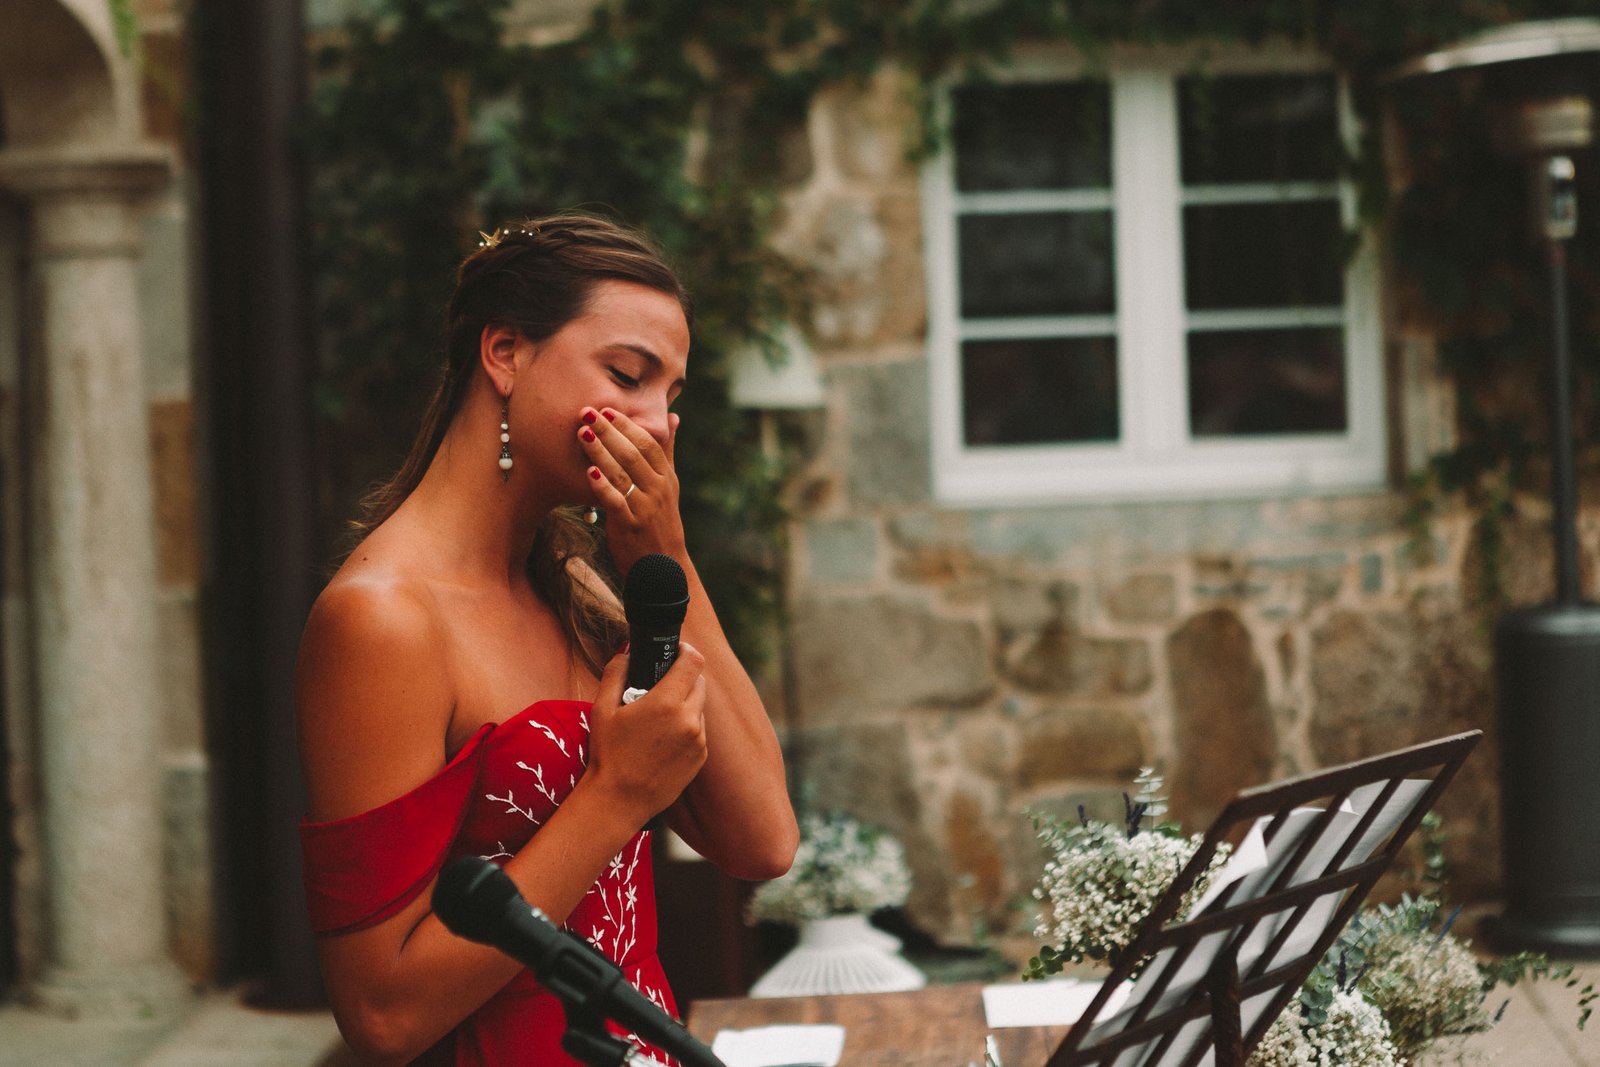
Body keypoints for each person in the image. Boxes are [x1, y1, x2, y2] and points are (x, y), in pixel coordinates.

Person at [295, 213, 799, 1066]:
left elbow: (765, 842)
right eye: (628, 374)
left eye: (670, 397)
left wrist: (666, 557)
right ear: (505, 354)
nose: (657, 423)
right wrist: (617, 793)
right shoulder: (381, 619)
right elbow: (380, 1015)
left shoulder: (576, 592)